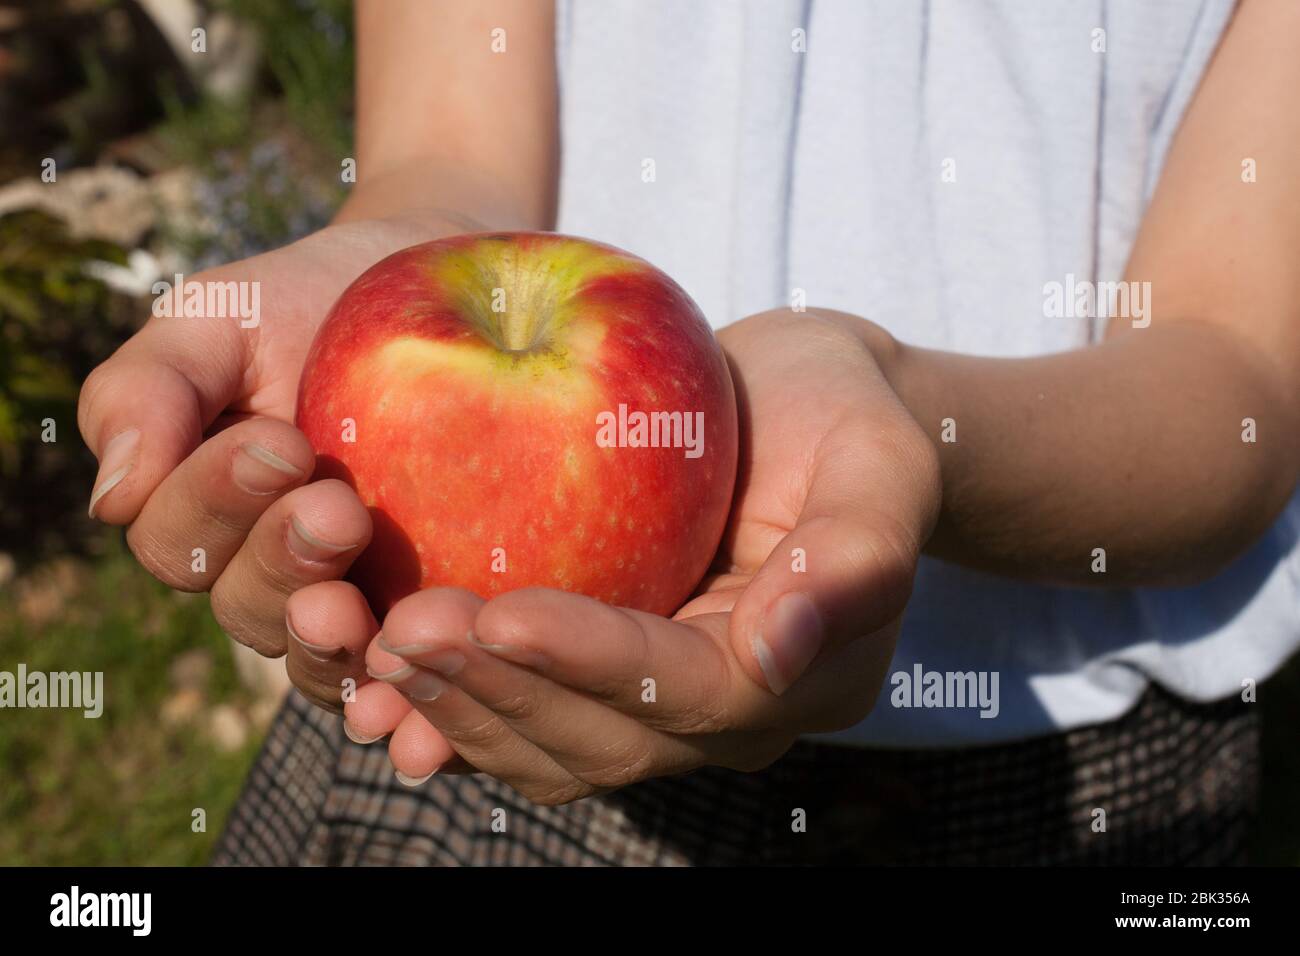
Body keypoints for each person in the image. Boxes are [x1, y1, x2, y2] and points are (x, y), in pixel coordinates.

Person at [80, 0, 1299, 865]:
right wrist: (380, 257)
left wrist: (906, 424)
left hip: (1061, 772)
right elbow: (446, 153)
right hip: (453, 726)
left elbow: (1240, 381)